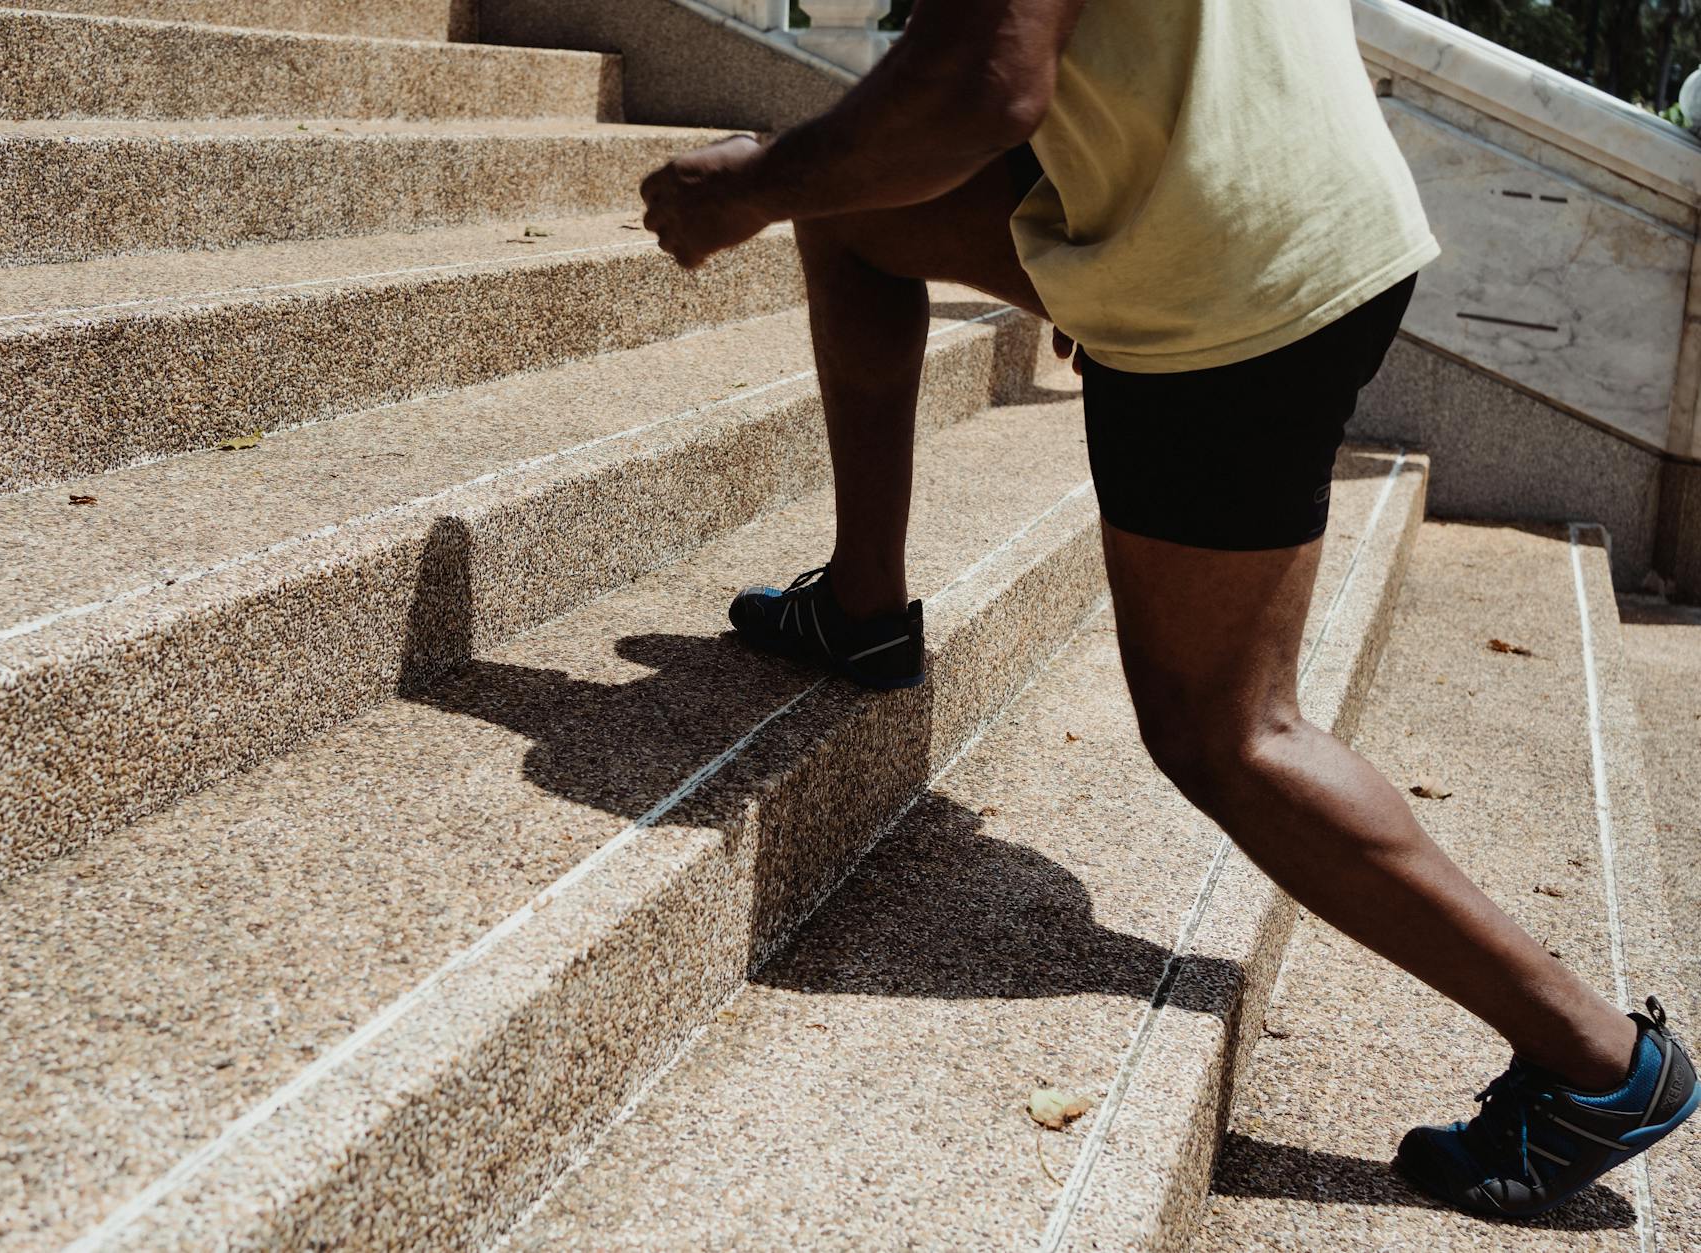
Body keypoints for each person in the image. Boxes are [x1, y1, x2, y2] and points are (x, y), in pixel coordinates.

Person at [638, 0, 1695, 1221]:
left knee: (1227, 732)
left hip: (1225, 276)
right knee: (853, 214)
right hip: (1276, 204)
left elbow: (985, 82)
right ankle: (860, 605)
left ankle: (1600, 1063)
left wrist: (753, 179)